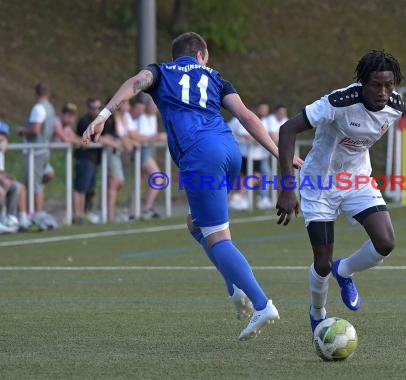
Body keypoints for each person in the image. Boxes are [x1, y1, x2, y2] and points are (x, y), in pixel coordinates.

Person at [82, 32, 302, 340]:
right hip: (229, 151)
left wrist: (104, 115)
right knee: (196, 224)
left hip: (201, 156)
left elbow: (135, 82)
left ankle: (262, 303)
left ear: (178, 56)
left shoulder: (161, 71)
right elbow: (248, 117)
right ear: (203, 55)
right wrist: (280, 153)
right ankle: (234, 287)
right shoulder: (215, 77)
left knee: (217, 236)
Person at [275, 50, 405, 333]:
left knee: (385, 242)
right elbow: (287, 130)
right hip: (319, 185)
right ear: (362, 82)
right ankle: (318, 312)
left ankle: (344, 271)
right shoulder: (338, 102)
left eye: (388, 84)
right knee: (321, 262)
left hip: (356, 180)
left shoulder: (396, 107)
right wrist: (287, 188)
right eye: (376, 85)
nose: (383, 91)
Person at [16, 82, 56, 212]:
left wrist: (22, 130)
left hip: (36, 152)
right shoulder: (50, 108)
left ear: (36, 93)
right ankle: (34, 212)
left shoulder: (38, 108)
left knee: (34, 186)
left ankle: (36, 214)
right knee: (40, 181)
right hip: (45, 149)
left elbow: (35, 129)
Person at [125, 96, 166, 220]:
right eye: (153, 105)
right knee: (158, 178)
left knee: (140, 182)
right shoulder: (140, 118)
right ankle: (147, 208)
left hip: (149, 151)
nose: (155, 108)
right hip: (142, 152)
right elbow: (139, 137)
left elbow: (150, 136)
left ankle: (132, 212)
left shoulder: (152, 118)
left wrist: (159, 137)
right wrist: (157, 137)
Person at [73, 97, 103, 224]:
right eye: (93, 108)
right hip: (84, 158)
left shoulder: (98, 120)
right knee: (80, 188)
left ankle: (83, 213)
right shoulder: (85, 121)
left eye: (97, 108)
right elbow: (94, 138)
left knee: (88, 188)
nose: (95, 110)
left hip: (93, 159)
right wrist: (107, 140)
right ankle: (78, 214)